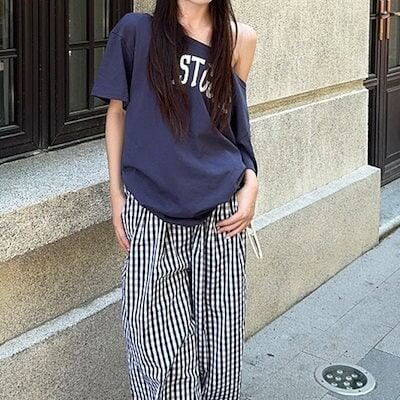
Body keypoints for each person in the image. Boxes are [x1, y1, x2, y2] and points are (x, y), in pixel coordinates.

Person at [90, 1, 259, 398]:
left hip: (221, 219)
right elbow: (117, 114)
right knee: (161, 355)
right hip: (151, 213)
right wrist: (116, 196)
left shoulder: (240, 39)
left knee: (220, 351)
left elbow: (235, 127)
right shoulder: (136, 32)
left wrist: (251, 181)